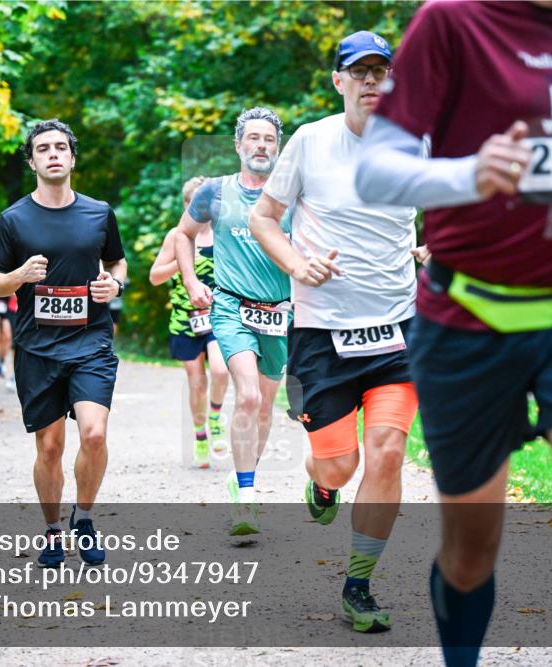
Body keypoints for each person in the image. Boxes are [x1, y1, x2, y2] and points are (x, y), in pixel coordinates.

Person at [353, 2, 552, 664]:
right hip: (467, 317)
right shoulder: (450, 22)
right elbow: (375, 170)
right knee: (472, 550)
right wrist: (467, 174)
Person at [248, 31, 421, 633]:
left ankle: (359, 583)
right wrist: (296, 264)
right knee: (340, 467)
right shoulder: (311, 141)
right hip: (323, 334)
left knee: (388, 452)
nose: (372, 82)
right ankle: (321, 487)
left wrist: (436, 247)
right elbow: (263, 217)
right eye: (360, 72)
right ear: (339, 80)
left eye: (381, 71)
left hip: (397, 330)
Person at [0, 119, 127, 568]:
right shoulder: (14, 219)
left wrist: (114, 287)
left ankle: (83, 517)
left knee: (95, 433)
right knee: (49, 448)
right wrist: (20, 276)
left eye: (61, 147)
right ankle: (52, 530)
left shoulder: (99, 212)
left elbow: (117, 262)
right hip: (38, 348)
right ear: (32, 162)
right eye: (43, 149)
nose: (53, 154)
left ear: (72, 157)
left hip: (91, 341)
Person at [174, 107, 292, 536]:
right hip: (230, 307)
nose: (261, 146)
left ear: (277, 148)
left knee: (263, 409)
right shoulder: (214, 192)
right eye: (254, 138)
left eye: (269, 140)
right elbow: (182, 235)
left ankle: (243, 477)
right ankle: (246, 499)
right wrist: (191, 282)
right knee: (247, 399)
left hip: (280, 312)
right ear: (238, 145)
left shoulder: (291, 194)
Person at [149, 175, 229, 468]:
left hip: (218, 315)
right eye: (196, 202)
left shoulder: (224, 234)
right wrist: (184, 262)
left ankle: (216, 416)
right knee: (197, 384)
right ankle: (200, 437)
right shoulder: (176, 236)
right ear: (186, 205)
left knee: (221, 370)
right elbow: (155, 277)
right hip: (185, 320)